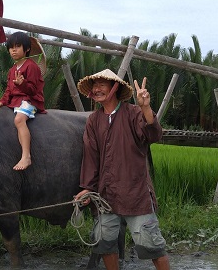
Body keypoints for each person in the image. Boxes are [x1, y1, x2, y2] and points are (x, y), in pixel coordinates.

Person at [73, 69, 171, 270]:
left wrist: (146, 107)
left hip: (135, 193)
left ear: (114, 88)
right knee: (105, 242)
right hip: (106, 195)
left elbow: (153, 135)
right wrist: (87, 188)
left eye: (102, 84)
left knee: (151, 244)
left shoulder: (133, 113)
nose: (97, 89)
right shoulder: (94, 120)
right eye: (95, 85)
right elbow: (91, 157)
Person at [0, 32, 45, 170]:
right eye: (11, 47)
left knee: (19, 120)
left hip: (30, 100)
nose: (13, 50)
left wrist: (23, 84)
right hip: (16, 101)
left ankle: (26, 156)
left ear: (26, 49)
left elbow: (34, 90)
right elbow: (9, 89)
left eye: (18, 46)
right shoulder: (12, 69)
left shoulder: (31, 66)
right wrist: (2, 101)